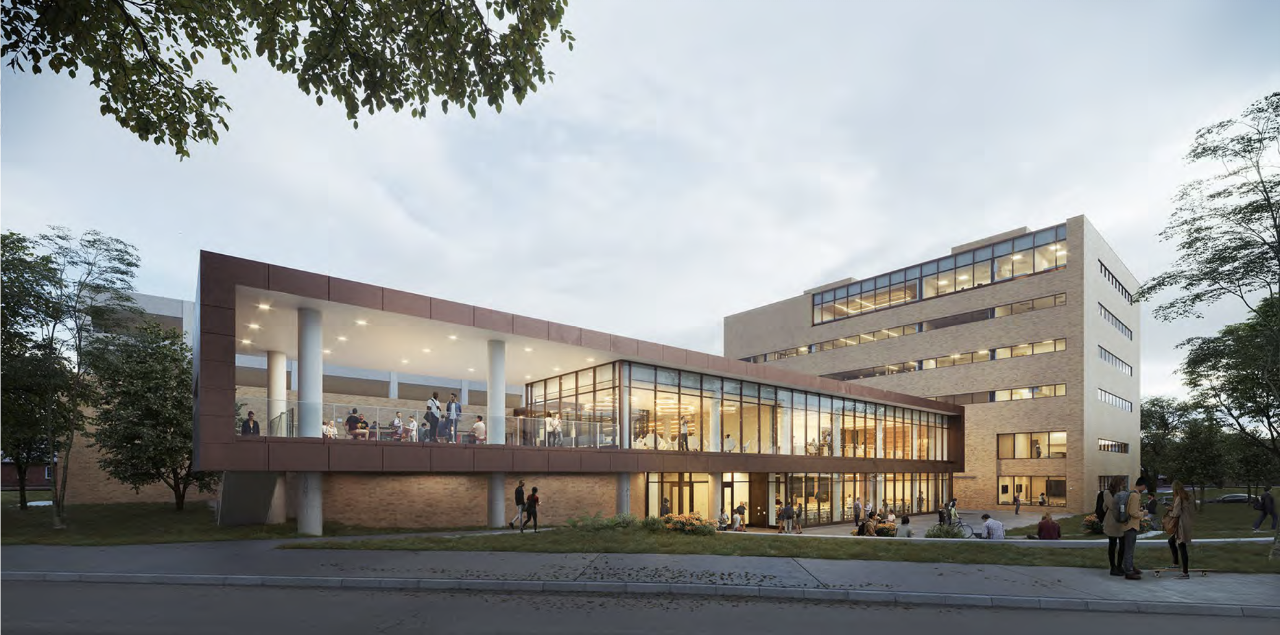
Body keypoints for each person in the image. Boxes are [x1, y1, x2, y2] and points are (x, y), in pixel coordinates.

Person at [1166, 480, 1195, 578]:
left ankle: (1185, 573)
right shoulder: (1187, 496)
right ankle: (1175, 564)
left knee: (1182, 547)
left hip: (1181, 524)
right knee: (1171, 541)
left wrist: (1170, 512)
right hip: (1187, 522)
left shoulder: (1179, 498)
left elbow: (1176, 513)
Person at [1102, 476, 1126, 576]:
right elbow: (1112, 506)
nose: (1124, 484)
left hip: (1122, 521)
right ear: (1118, 482)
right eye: (1123, 482)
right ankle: (1113, 567)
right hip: (1112, 522)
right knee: (1112, 545)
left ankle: (1120, 566)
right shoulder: (1107, 493)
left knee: (1123, 545)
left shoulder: (1122, 493)